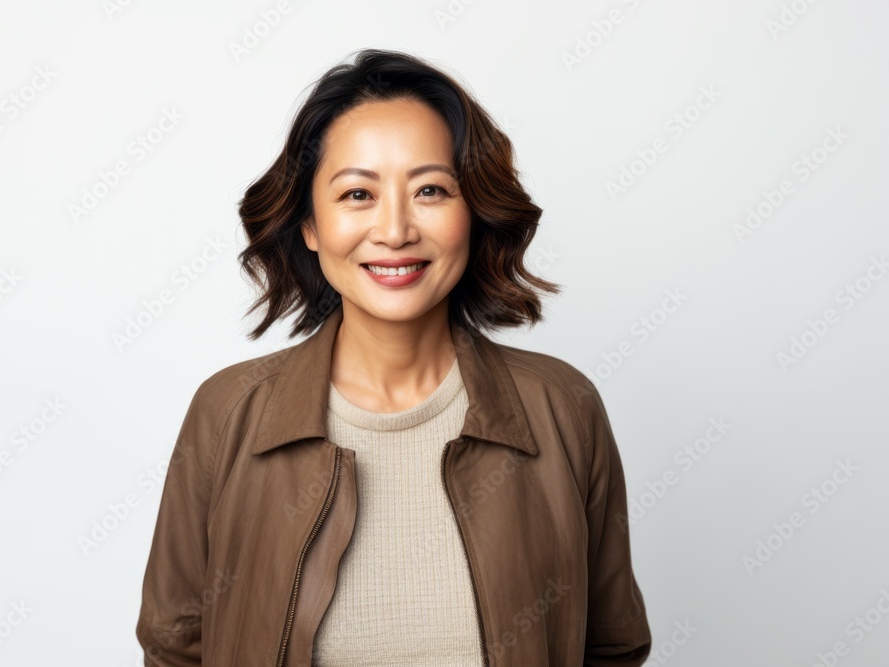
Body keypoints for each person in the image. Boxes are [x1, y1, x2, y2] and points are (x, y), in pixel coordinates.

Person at [136, 48, 651, 666]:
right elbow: (175, 648)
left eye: (431, 189)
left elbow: (610, 646)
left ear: (474, 212)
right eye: (358, 194)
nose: (396, 230)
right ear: (310, 226)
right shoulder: (229, 413)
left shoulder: (562, 409)